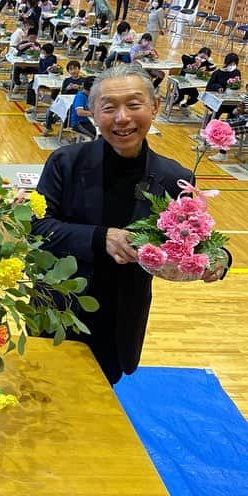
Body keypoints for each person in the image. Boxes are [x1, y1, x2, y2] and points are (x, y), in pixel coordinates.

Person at [31, 63, 228, 385]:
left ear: (155, 107)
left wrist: (218, 261)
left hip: (121, 318)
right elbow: (37, 229)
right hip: (59, 307)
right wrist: (101, 238)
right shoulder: (66, 162)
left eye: (134, 105)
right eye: (109, 108)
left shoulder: (175, 177)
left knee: (103, 401)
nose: (122, 118)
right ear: (92, 113)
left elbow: (197, 241)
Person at [43, 60, 84, 135]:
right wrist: (67, 89)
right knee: (49, 110)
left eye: (75, 68)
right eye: (71, 69)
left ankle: (58, 126)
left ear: (79, 69)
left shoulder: (83, 80)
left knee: (64, 113)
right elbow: (63, 93)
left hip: (75, 103)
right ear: (68, 71)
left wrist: (79, 88)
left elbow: (85, 93)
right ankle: (48, 127)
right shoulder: (67, 80)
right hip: (65, 101)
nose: (73, 71)